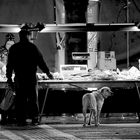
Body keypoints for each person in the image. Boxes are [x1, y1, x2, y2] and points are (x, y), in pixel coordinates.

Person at [6, 30, 54, 126]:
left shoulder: (14, 48)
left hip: (19, 78)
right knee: (33, 99)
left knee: (20, 100)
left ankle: (21, 120)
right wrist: (48, 73)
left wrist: (9, 78)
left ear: (19, 36)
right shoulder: (32, 47)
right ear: (28, 35)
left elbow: (9, 65)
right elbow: (41, 62)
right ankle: (34, 119)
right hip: (30, 77)